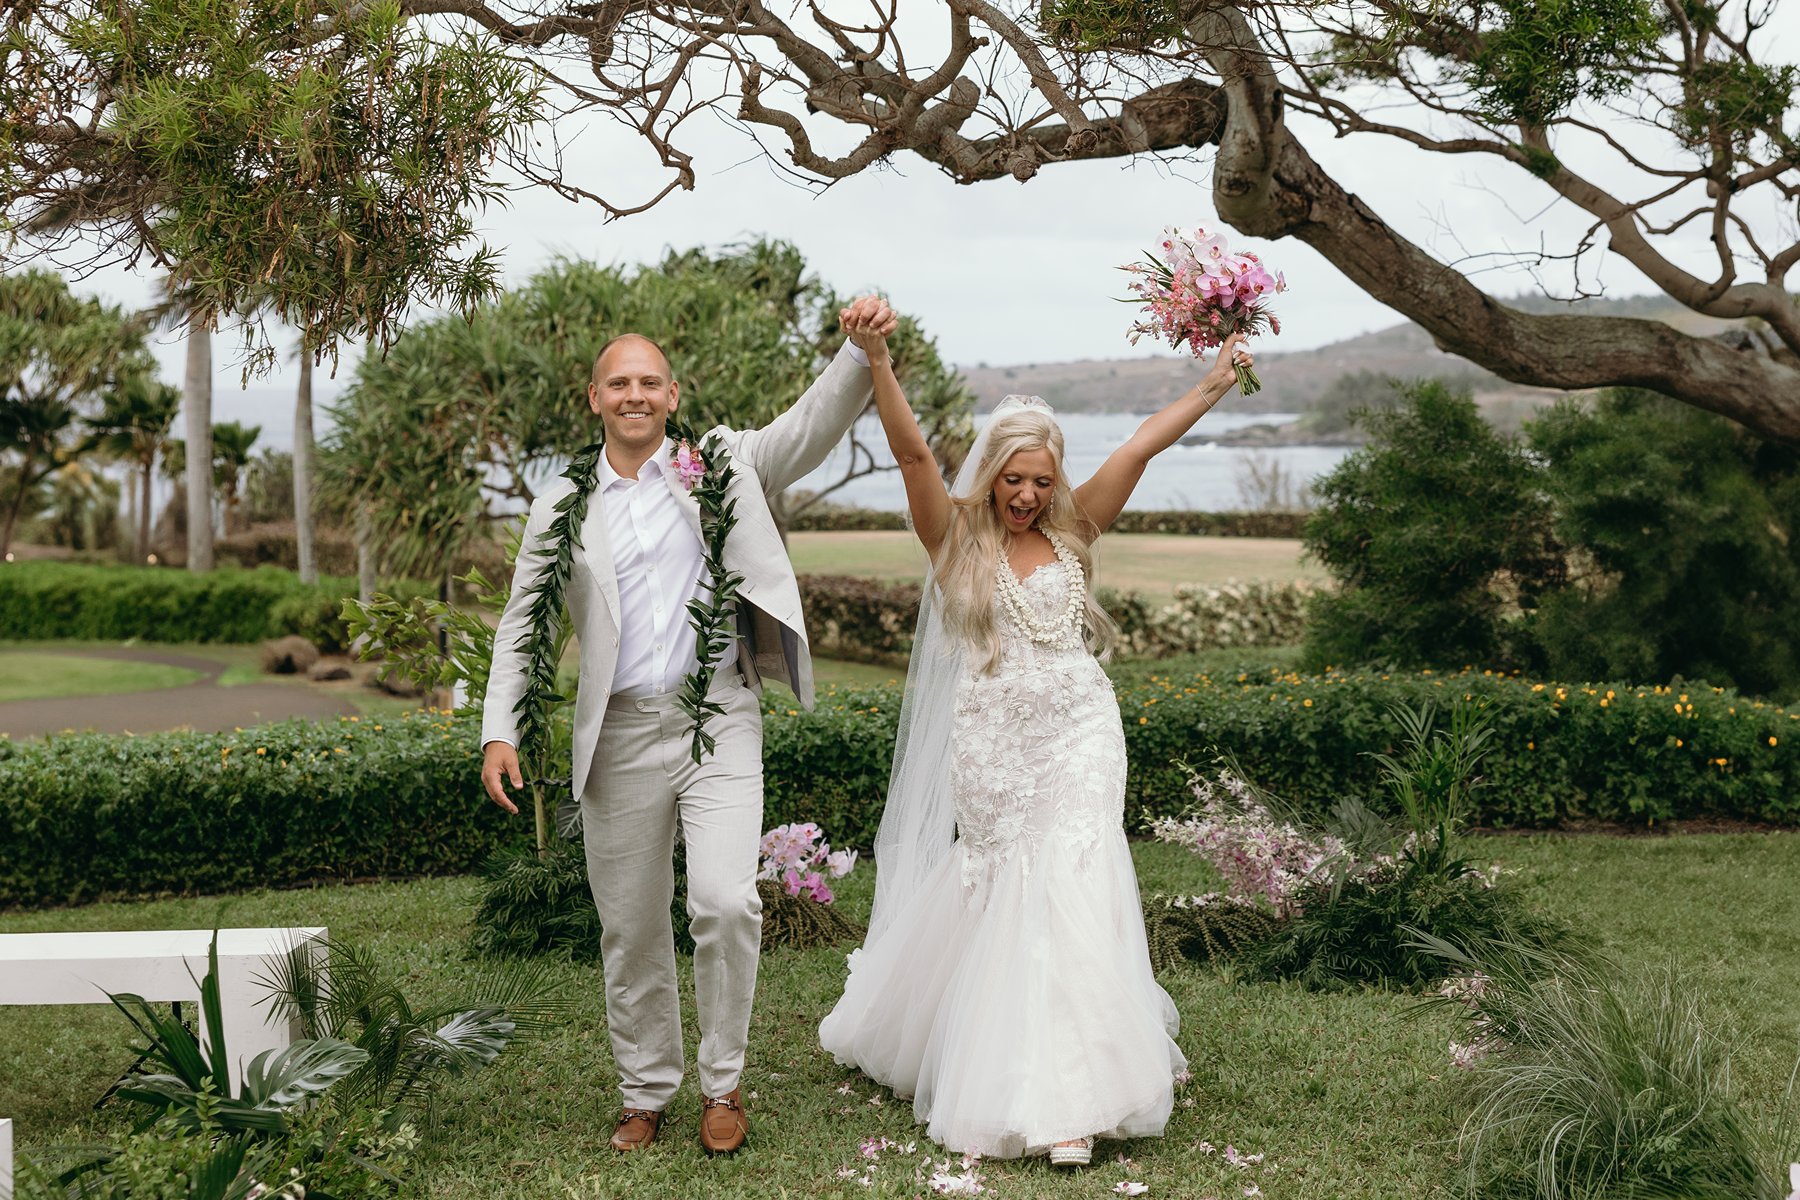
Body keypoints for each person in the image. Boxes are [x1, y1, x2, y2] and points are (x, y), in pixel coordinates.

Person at [819, 322, 1255, 1165]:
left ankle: (1073, 1099)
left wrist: (1215, 382)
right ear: (990, 475)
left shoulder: (1075, 531)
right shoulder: (953, 537)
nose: (1026, 494)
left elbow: (1138, 449)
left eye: (1040, 480)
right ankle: (974, 1048)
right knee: (1007, 887)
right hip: (995, 745)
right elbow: (913, 459)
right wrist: (878, 361)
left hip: (1082, 731)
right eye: (1013, 479)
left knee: (1076, 881)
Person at [480, 296, 898, 1154]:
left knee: (724, 901)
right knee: (629, 927)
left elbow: (804, 430)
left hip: (718, 716)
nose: (634, 394)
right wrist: (500, 729)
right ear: (593, 397)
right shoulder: (562, 503)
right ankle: (644, 1091)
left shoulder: (718, 466)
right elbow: (525, 618)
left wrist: (856, 356)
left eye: (649, 382)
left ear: (673, 395)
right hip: (619, 736)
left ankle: (724, 1085)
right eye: (617, 383)